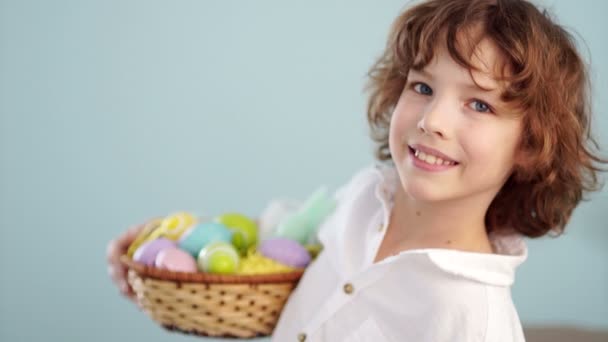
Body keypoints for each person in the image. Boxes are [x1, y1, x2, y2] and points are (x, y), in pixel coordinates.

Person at [107, 0, 608, 340]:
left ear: (531, 145)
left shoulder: (473, 321)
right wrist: (169, 255)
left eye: (478, 106)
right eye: (423, 88)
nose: (432, 121)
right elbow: (269, 247)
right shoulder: (362, 199)